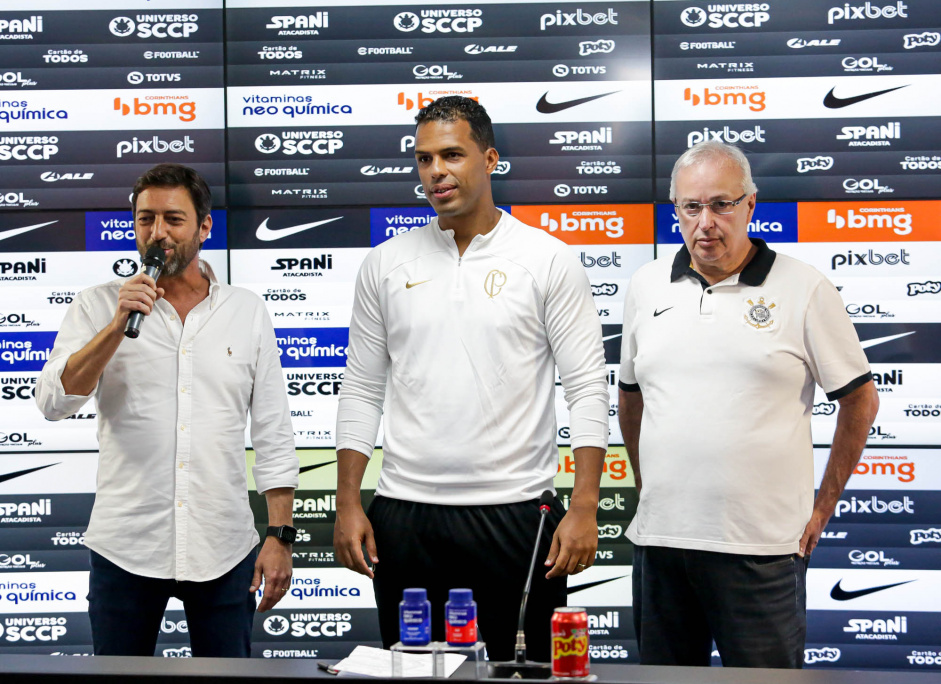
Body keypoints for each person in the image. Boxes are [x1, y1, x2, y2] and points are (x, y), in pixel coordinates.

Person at [333, 96, 609, 661]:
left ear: (489, 159)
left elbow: (586, 386)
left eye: (452, 155)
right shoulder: (385, 263)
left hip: (516, 512)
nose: (436, 172)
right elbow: (361, 388)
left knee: (522, 676)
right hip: (404, 515)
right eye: (424, 159)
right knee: (412, 677)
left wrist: (584, 505)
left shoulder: (547, 258)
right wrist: (347, 502)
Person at [618, 141, 879, 668]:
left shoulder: (805, 288)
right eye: (692, 207)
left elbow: (860, 402)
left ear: (751, 205)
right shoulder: (646, 286)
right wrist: (648, 484)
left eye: (722, 204)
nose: (706, 222)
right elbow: (630, 397)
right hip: (661, 546)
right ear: (676, 211)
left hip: (762, 552)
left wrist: (823, 506)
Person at [36, 163, 299, 657]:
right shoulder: (98, 306)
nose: (157, 233)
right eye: (145, 220)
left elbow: (273, 431)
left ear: (203, 227)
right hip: (126, 545)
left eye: (173, 220)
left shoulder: (245, 310)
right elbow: (54, 402)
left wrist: (280, 535)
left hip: (223, 548)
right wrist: (116, 326)